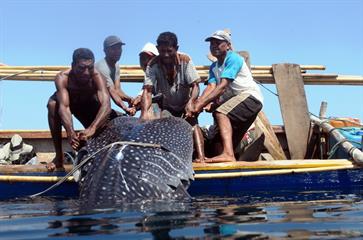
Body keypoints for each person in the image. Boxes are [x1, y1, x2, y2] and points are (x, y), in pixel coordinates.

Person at [190, 30, 263, 163]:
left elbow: (223, 85)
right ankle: (227, 158)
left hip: (251, 97)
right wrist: (198, 104)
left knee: (221, 113)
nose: (214, 46)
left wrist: (200, 105)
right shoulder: (214, 67)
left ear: (228, 45)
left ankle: (228, 155)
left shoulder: (233, 59)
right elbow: (211, 87)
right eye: (211, 44)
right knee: (217, 135)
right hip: (237, 101)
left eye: (218, 43)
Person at [140, 32, 205, 162]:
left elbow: (196, 86)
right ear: (157, 49)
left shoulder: (185, 60)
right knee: (164, 125)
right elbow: (147, 91)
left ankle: (201, 158)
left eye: (169, 51)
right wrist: (144, 113)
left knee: (193, 125)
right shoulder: (152, 65)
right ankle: (168, 160)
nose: (165, 55)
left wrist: (191, 101)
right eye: (162, 51)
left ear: (176, 48)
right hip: (168, 105)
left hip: (186, 104)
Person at [46, 48, 114, 171]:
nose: (87, 72)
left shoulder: (97, 76)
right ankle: (59, 157)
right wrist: (70, 132)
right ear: (73, 65)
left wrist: (92, 128)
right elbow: (64, 107)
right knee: (52, 104)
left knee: (113, 121)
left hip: (91, 110)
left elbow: (106, 105)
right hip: (72, 107)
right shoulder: (63, 78)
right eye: (82, 68)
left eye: (90, 67)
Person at [95, 35, 136, 116]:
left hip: (101, 105)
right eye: (113, 49)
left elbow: (118, 90)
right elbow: (112, 91)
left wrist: (130, 99)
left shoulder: (116, 65)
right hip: (89, 105)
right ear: (105, 51)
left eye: (119, 48)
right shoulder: (102, 67)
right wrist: (125, 108)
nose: (117, 51)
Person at [132, 42, 159, 110]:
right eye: (143, 58)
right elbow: (146, 90)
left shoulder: (163, 71)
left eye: (149, 58)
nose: (146, 61)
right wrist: (138, 98)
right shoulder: (148, 75)